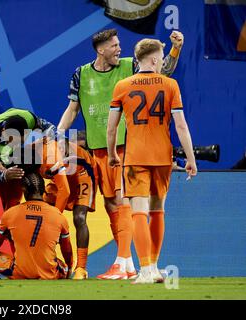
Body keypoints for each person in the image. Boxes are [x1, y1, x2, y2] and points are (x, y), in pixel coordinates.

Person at [58, 28, 184, 280]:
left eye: (119, 45)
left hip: (126, 146)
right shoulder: (80, 74)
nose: (119, 49)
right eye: (114, 46)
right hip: (98, 147)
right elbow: (73, 108)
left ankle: (124, 260)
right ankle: (126, 265)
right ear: (100, 49)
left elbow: (162, 70)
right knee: (111, 203)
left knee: (123, 198)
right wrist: (61, 131)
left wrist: (175, 48)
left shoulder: (130, 66)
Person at [106, 38, 197, 284]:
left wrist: (113, 153)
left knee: (139, 213)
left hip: (135, 157)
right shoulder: (170, 85)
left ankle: (146, 270)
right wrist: (190, 158)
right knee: (158, 211)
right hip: (162, 157)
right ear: (155, 59)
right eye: (162, 55)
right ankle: (154, 267)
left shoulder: (122, 86)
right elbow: (180, 125)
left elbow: (112, 128)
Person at [0, 108, 55, 279]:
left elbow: (52, 131)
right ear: (3, 132)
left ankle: (21, 261)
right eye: (12, 140)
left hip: (11, 165)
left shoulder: (29, 119)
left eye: (20, 141)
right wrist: (2, 174)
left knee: (16, 215)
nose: (15, 144)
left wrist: (49, 152)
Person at [0, 172, 73, 279]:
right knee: (62, 264)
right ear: (43, 191)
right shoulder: (58, 215)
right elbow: (67, 250)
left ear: (24, 191)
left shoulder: (10, 213)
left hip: (18, 272)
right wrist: (69, 268)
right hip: (49, 274)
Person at [38, 138, 97, 280]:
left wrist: (55, 219)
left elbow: (65, 192)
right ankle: (40, 261)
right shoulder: (33, 152)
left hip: (83, 174)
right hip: (61, 176)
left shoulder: (57, 150)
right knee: (40, 213)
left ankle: (81, 268)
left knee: (79, 218)